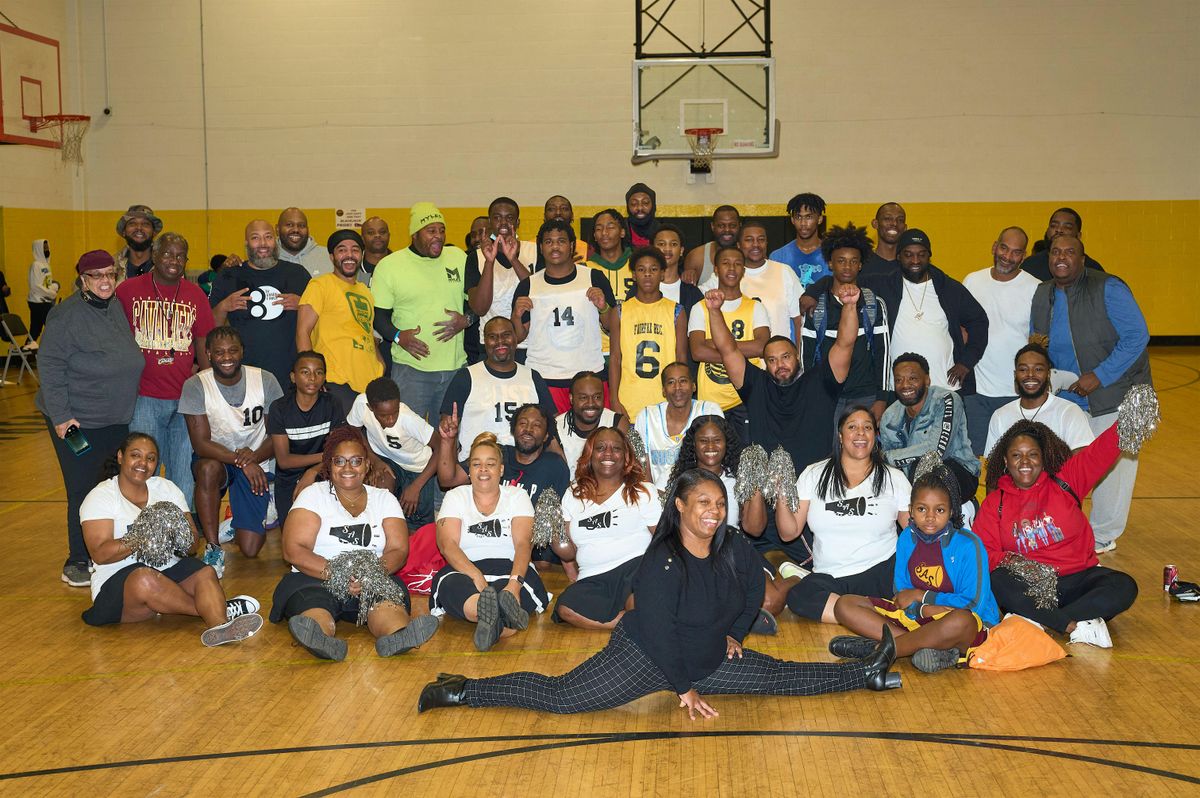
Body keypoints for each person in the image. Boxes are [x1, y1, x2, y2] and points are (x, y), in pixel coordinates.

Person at [418, 468, 900, 716]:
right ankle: (462, 689)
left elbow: (753, 591)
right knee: (562, 697)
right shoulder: (661, 559)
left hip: (708, 657)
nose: (713, 511)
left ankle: (867, 673)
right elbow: (656, 627)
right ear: (682, 506)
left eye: (719, 503)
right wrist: (684, 688)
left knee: (781, 679)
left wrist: (734, 632)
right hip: (644, 655)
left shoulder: (732, 546)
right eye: (703, 502)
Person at [271, 425, 439, 661]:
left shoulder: (384, 499)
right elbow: (294, 550)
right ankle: (322, 639)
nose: (347, 468)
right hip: (317, 577)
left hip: (372, 576)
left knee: (386, 603)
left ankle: (397, 635)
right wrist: (339, 573)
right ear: (329, 465)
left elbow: (398, 549)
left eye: (356, 461)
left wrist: (370, 575)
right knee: (316, 607)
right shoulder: (314, 495)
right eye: (339, 461)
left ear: (367, 464)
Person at [79, 432, 264, 645]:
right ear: (121, 457)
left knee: (205, 571)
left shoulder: (166, 488)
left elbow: (193, 545)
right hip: (118, 586)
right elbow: (100, 554)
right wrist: (144, 534)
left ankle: (220, 627)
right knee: (144, 577)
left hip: (166, 572)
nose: (143, 463)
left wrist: (176, 533)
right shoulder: (101, 496)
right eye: (135, 455)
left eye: (150, 458)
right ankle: (211, 608)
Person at [1030, 235, 1150, 554]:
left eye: (1070, 252)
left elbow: (1137, 336)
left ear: (1082, 259)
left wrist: (1099, 376)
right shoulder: (1043, 293)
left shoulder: (1108, 287)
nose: (1062, 258)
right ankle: (1060, 529)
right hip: (1067, 397)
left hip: (1113, 393)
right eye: (1056, 252)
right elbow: (1037, 340)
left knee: (1114, 465)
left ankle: (1102, 534)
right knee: (1061, 466)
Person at [974, 419, 1139, 647]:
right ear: (1005, 460)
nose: (1025, 462)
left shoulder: (1066, 481)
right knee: (997, 580)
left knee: (1124, 585)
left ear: (1043, 457)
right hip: (1031, 587)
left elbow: (1100, 452)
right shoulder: (996, 503)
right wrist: (1022, 564)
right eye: (1016, 455)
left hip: (1079, 580)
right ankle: (1073, 625)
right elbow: (984, 553)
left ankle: (1041, 622)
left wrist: (1128, 418)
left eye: (1032, 454)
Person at [37, 251, 145, 587]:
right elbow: (50, 367)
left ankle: (109, 552)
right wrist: (62, 417)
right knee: (82, 488)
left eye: (110, 274)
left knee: (113, 485)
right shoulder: (65, 316)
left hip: (115, 420)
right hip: (76, 423)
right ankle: (78, 559)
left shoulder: (114, 305)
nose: (104, 281)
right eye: (96, 275)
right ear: (82, 279)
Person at [832, 459, 998, 672]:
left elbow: (974, 604)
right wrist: (923, 609)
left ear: (951, 512)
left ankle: (880, 650)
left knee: (960, 621)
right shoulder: (907, 538)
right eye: (922, 509)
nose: (930, 517)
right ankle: (925, 648)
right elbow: (901, 593)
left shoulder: (969, 544)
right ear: (910, 510)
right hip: (919, 616)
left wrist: (924, 598)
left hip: (967, 624)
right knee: (845, 604)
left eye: (939, 510)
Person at [775, 406, 912, 626]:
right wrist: (781, 493)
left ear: (875, 437)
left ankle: (861, 617)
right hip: (830, 577)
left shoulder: (893, 478)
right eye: (852, 427)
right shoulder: (813, 474)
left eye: (867, 427)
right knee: (799, 597)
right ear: (840, 436)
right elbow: (788, 532)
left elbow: (914, 532)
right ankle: (872, 618)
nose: (860, 433)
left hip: (882, 571)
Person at [116, 232, 216, 512]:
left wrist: (208, 392)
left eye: (180, 255)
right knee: (141, 470)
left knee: (183, 472)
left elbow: (202, 344)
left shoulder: (195, 294)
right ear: (155, 256)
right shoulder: (127, 291)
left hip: (185, 399)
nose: (174, 260)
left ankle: (179, 535)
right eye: (168, 254)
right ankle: (138, 527)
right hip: (143, 397)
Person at [430, 432, 549, 651]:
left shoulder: (517, 496)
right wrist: (476, 575)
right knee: (450, 585)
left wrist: (514, 583)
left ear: (501, 469)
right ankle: (498, 618)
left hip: (510, 567)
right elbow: (448, 545)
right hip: (465, 569)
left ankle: (494, 621)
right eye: (476, 464)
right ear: (470, 469)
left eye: (490, 464)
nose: (483, 469)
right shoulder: (455, 496)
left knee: (513, 593)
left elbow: (524, 544)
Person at [665, 416, 786, 629]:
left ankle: (793, 579)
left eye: (717, 440)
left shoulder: (737, 478)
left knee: (770, 602)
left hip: (733, 549)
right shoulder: (682, 481)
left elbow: (755, 529)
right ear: (694, 445)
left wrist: (753, 481)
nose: (711, 446)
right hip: (694, 553)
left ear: (726, 443)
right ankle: (740, 614)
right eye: (703, 440)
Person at [181, 326, 283, 576]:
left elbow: (278, 436)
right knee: (206, 469)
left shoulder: (266, 380)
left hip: (259, 459)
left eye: (232, 351)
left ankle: (234, 523)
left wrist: (254, 458)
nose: (227, 357)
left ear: (242, 352)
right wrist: (244, 461)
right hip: (220, 460)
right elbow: (201, 444)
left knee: (250, 549)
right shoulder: (196, 385)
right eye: (219, 352)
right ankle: (213, 546)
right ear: (208, 354)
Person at [372, 202, 471, 425]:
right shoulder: (390, 266)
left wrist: (466, 320)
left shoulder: (458, 257)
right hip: (412, 369)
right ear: (415, 234)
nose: (438, 236)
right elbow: (378, 315)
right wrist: (398, 336)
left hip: (455, 367)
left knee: (449, 436)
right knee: (408, 436)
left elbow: (475, 302)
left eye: (442, 230)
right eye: (431, 231)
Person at [552, 427, 660, 629]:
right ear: (590, 454)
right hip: (594, 577)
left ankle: (637, 615)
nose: (608, 453)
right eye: (600, 448)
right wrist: (552, 535)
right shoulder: (573, 494)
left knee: (637, 601)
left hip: (636, 569)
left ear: (626, 456)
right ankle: (625, 623)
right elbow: (568, 551)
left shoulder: (643, 491)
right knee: (565, 608)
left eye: (616, 448)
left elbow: (661, 539)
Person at [513, 221, 617, 413]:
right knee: (550, 440)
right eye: (548, 242)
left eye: (561, 241)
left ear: (571, 246)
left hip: (589, 377)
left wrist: (603, 307)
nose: (555, 246)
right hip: (544, 377)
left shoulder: (594, 277)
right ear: (541, 248)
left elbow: (611, 325)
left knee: (596, 439)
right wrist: (516, 316)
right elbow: (519, 336)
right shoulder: (528, 285)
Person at [961, 227, 1040, 455]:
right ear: (995, 247)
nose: (1007, 256)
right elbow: (963, 329)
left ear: (1023, 256)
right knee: (974, 459)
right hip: (977, 391)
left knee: (1012, 458)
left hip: (1015, 391)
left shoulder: (1035, 288)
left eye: (1016, 252)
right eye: (1004, 248)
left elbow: (1039, 342)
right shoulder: (973, 281)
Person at [800, 223, 891, 422]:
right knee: (827, 452)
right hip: (825, 395)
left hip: (865, 396)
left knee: (863, 451)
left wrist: (882, 397)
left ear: (860, 265)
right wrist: (808, 394)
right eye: (841, 261)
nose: (847, 266)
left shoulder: (873, 304)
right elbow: (805, 355)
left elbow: (883, 352)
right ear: (830, 263)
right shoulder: (816, 306)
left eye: (853, 261)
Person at [209, 219, 311, 391]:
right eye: (256, 238)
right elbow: (210, 328)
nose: (263, 244)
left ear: (276, 240)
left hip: (290, 376)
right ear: (246, 243)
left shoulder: (297, 274)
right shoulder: (229, 276)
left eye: (268, 237)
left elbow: (321, 319)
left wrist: (303, 304)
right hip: (244, 376)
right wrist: (224, 306)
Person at [884, 229, 989, 394]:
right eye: (908, 255)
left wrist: (966, 363)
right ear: (898, 256)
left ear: (929, 256)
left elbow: (979, 321)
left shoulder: (949, 288)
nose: (915, 260)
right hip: (897, 389)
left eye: (921, 254)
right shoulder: (885, 288)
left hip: (944, 388)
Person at [439, 316, 556, 457]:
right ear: (484, 341)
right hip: (476, 467)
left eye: (506, 335)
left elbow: (551, 430)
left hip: (524, 468)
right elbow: (447, 431)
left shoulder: (533, 377)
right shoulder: (465, 377)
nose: (500, 341)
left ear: (516, 338)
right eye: (493, 337)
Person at [687, 246, 770, 442]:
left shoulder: (756, 307)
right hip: (712, 400)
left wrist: (716, 344)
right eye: (725, 263)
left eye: (737, 264)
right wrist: (739, 352)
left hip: (747, 398)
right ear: (715, 269)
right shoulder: (701, 307)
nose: (731, 268)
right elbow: (697, 351)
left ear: (744, 270)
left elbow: (761, 347)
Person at [295, 229, 382, 414]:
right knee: (343, 441)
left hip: (370, 384)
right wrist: (314, 378)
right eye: (342, 250)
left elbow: (366, 331)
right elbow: (303, 332)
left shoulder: (365, 291)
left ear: (362, 255)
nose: (349, 255)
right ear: (332, 256)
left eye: (355, 250)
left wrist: (380, 367)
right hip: (337, 383)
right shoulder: (320, 285)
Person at [880, 354, 979, 512]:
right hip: (911, 478)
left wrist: (888, 457)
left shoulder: (946, 400)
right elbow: (888, 465)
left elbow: (937, 451)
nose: (905, 385)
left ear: (927, 380)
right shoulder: (890, 416)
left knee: (930, 470)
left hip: (957, 470)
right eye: (899, 380)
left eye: (913, 378)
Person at [347, 377, 439, 530]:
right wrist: (374, 459)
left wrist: (416, 487)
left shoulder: (408, 419)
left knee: (417, 523)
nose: (390, 420)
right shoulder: (361, 404)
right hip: (387, 459)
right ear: (371, 407)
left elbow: (441, 446)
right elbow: (353, 430)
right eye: (383, 415)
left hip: (418, 467)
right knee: (380, 492)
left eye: (394, 413)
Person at [438, 402, 570, 508]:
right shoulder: (498, 454)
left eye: (536, 425)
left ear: (546, 435)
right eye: (523, 423)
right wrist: (447, 441)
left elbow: (562, 513)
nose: (528, 430)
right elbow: (447, 480)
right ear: (513, 429)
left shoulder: (555, 466)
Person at [267, 351, 348, 523]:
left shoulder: (332, 403)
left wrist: (313, 471)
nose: (312, 378)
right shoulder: (279, 408)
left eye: (319, 372)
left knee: (327, 526)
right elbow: (284, 461)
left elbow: (339, 450)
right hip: (289, 477)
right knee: (292, 532)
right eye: (305, 372)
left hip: (324, 471)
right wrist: (326, 456)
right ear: (293, 377)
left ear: (324, 377)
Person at [609, 247, 689, 420]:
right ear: (633, 275)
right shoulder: (620, 311)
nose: (647, 274)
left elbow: (681, 356)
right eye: (641, 269)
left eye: (653, 269)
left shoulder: (676, 311)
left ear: (662, 274)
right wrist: (614, 398)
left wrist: (682, 396)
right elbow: (615, 358)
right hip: (629, 399)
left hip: (666, 400)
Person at [701, 219, 802, 343]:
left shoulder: (784, 271)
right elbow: (697, 297)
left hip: (778, 359)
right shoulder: (725, 275)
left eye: (761, 240)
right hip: (737, 358)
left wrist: (798, 356)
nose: (756, 245)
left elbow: (798, 320)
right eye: (749, 240)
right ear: (738, 244)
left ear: (767, 243)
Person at [985, 344, 1095, 456]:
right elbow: (991, 466)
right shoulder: (1000, 416)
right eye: (1023, 369)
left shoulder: (1069, 412)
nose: (1030, 375)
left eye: (1038, 369)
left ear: (1048, 374)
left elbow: (1084, 463)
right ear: (1015, 375)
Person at [465, 197, 537, 363]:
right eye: (497, 218)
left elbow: (539, 294)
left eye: (509, 218)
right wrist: (489, 262)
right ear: (490, 222)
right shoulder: (476, 257)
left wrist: (514, 260)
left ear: (518, 222)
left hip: (531, 346)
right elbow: (480, 308)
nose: (503, 223)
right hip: (491, 345)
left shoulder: (535, 250)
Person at [633, 362, 723, 491]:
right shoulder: (647, 416)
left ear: (693, 386)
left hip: (700, 492)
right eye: (671, 382)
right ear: (663, 390)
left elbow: (717, 460)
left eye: (683, 381)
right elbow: (642, 465)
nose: (677, 388)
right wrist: (653, 498)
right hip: (657, 495)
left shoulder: (709, 411)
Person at [555, 370, 629, 480]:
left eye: (597, 397)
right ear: (571, 398)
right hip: (569, 492)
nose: (591, 403)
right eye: (583, 398)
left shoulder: (617, 422)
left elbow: (628, 466)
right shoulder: (556, 427)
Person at [587, 209, 633, 356]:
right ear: (594, 235)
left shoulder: (639, 265)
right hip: (596, 352)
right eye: (599, 229)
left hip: (631, 348)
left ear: (622, 232)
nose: (604, 233)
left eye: (610, 227)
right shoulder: (585, 269)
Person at [1021, 208, 1105, 281]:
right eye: (1053, 226)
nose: (1059, 230)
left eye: (1067, 227)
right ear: (1047, 231)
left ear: (1078, 235)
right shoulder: (1029, 265)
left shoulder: (1093, 269)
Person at [770, 192, 831, 287]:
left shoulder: (832, 254)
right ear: (792, 220)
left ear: (819, 219)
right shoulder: (777, 257)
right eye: (798, 217)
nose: (803, 223)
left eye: (809, 217)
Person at [651, 224, 704, 314]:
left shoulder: (693, 294)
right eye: (661, 244)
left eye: (673, 244)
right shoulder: (639, 288)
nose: (667, 249)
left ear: (681, 251)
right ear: (652, 249)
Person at [682, 205, 740, 286]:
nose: (727, 230)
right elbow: (689, 293)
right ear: (712, 226)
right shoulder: (696, 257)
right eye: (721, 226)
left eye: (732, 225)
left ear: (739, 225)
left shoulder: (750, 255)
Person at [276, 207, 331, 277]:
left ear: (308, 230)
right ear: (277, 229)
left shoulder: (328, 256)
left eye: (301, 225)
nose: (296, 230)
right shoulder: (267, 258)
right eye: (289, 225)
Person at [113, 204, 162, 280]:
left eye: (145, 224)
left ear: (154, 232)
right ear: (124, 232)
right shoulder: (112, 267)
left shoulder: (166, 265)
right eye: (132, 224)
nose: (139, 228)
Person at [26, 238, 59, 346]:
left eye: (47, 247)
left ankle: (26, 353)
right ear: (38, 249)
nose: (47, 249)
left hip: (45, 301)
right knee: (53, 326)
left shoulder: (47, 265)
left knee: (35, 330)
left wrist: (54, 287)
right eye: (44, 247)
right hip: (38, 302)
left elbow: (47, 283)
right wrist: (51, 293)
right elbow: (35, 286)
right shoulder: (36, 265)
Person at [863, 202, 907, 278]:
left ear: (905, 228)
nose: (894, 223)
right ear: (875, 224)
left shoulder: (911, 264)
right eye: (887, 219)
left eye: (900, 220)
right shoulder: (861, 263)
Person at [543, 194, 589, 262]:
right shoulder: (531, 246)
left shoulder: (586, 248)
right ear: (544, 216)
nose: (558, 213)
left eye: (564, 208)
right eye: (552, 209)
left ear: (572, 215)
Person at [359, 215, 392, 287]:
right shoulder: (353, 268)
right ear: (362, 238)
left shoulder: (400, 265)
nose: (377, 235)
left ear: (389, 236)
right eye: (371, 232)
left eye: (382, 232)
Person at [624, 183, 659, 248]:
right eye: (634, 204)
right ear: (627, 207)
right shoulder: (621, 231)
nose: (640, 208)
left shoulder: (662, 231)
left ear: (653, 206)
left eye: (645, 203)